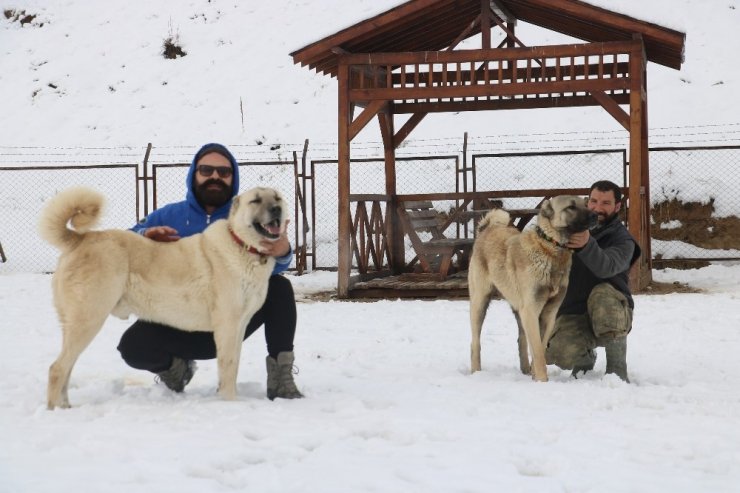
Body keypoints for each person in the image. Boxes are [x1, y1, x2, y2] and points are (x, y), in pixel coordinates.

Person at [117, 143, 303, 400]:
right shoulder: (169, 215)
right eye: (206, 170)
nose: (215, 176)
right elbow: (123, 244)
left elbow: (270, 268)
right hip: (177, 320)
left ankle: (281, 376)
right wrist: (144, 237)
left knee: (279, 288)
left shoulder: (248, 214)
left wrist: (282, 251)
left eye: (224, 172)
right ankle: (176, 369)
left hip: (231, 317)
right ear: (194, 174)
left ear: (233, 178)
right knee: (132, 346)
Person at [545, 180, 641, 382]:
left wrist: (587, 244)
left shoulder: (623, 240)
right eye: (594, 201)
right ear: (587, 202)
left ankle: (617, 370)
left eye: (606, 203)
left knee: (603, 294)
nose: (598, 207)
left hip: (611, 311)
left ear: (617, 207)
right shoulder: (566, 229)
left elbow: (606, 267)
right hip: (574, 310)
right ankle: (584, 359)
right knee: (557, 353)